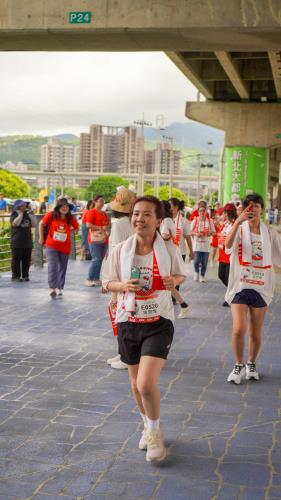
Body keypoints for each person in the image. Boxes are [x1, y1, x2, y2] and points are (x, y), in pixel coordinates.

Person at [102, 195, 187, 463]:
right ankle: (150, 427)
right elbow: (106, 282)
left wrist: (174, 280)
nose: (140, 218)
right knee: (136, 386)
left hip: (159, 321)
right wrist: (122, 286)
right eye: (136, 213)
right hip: (129, 320)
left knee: (146, 384)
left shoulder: (169, 249)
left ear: (159, 220)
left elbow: (180, 274)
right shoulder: (119, 250)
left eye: (147, 214)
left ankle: (155, 435)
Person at [225, 193, 281, 384]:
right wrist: (237, 222)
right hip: (241, 285)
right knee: (238, 328)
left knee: (255, 332)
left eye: (256, 205)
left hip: (261, 287)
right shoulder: (239, 229)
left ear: (262, 209)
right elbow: (227, 245)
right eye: (248, 206)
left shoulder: (270, 232)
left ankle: (251, 363)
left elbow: (278, 259)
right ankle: (238, 364)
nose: (253, 208)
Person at [106, 188, 135, 370]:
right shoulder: (130, 222)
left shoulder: (118, 224)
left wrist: (110, 280)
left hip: (120, 275)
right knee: (124, 314)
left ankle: (125, 355)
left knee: (120, 314)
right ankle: (123, 352)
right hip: (129, 272)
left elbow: (116, 252)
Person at [39, 197, 79, 298]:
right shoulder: (51, 215)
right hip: (51, 245)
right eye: (62, 206)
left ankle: (59, 288)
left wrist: (70, 230)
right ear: (58, 207)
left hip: (65, 247)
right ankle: (53, 288)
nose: (64, 208)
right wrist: (41, 238)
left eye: (66, 206)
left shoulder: (70, 218)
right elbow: (41, 223)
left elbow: (77, 227)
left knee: (62, 267)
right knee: (52, 266)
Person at [160, 200, 191, 319]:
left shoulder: (167, 220)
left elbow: (169, 236)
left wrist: (164, 237)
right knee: (167, 283)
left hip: (169, 255)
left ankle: (181, 305)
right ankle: (183, 305)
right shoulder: (165, 220)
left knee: (167, 282)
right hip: (166, 254)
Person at [168, 198, 193, 309]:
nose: (169, 208)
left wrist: (191, 252)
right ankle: (169, 296)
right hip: (168, 252)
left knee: (176, 275)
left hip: (180, 252)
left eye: (170, 205)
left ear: (176, 207)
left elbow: (188, 238)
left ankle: (173, 297)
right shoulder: (166, 220)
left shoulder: (184, 221)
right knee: (168, 274)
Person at [85, 195, 110, 287]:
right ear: (95, 202)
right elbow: (88, 224)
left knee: (100, 259)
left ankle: (96, 278)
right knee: (96, 259)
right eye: (100, 201)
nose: (102, 203)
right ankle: (89, 279)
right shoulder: (92, 212)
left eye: (103, 201)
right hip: (94, 239)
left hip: (104, 238)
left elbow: (107, 224)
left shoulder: (104, 213)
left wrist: (106, 230)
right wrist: (100, 228)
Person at [10, 200, 36, 282]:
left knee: (27, 260)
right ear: (18, 206)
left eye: (25, 205)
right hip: (17, 241)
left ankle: (25, 275)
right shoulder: (14, 214)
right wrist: (20, 214)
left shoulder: (28, 214)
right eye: (22, 205)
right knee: (16, 260)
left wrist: (31, 214)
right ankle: (15, 276)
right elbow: (15, 224)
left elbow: (34, 224)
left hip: (27, 241)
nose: (24, 207)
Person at [217, 203, 237, 306]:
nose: (222, 215)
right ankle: (234, 293)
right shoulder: (225, 224)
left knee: (228, 277)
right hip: (222, 255)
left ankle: (231, 297)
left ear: (227, 213)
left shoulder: (235, 225)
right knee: (221, 275)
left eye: (224, 212)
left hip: (230, 256)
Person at [191, 205, 216, 282]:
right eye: (200, 211)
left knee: (204, 263)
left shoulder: (210, 221)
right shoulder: (195, 220)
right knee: (196, 261)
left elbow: (214, 232)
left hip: (206, 245)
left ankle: (202, 276)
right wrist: (196, 234)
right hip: (197, 245)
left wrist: (209, 233)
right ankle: (196, 272)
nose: (202, 212)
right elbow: (190, 231)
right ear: (198, 212)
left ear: (206, 212)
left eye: (203, 211)